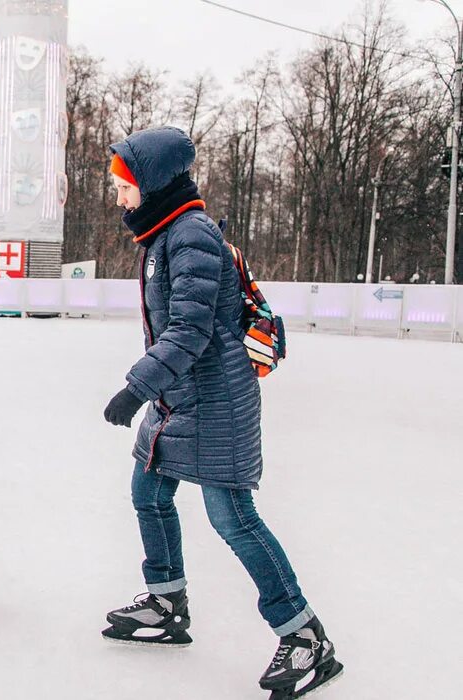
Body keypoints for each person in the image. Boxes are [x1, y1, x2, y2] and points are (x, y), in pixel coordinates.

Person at [100, 126, 343, 699]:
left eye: (124, 186)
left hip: (215, 404)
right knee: (148, 493)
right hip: (179, 398)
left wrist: (135, 388)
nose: (119, 198)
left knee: (233, 519)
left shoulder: (191, 238)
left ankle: (305, 636)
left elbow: (189, 330)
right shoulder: (166, 236)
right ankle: (166, 602)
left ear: (153, 183)